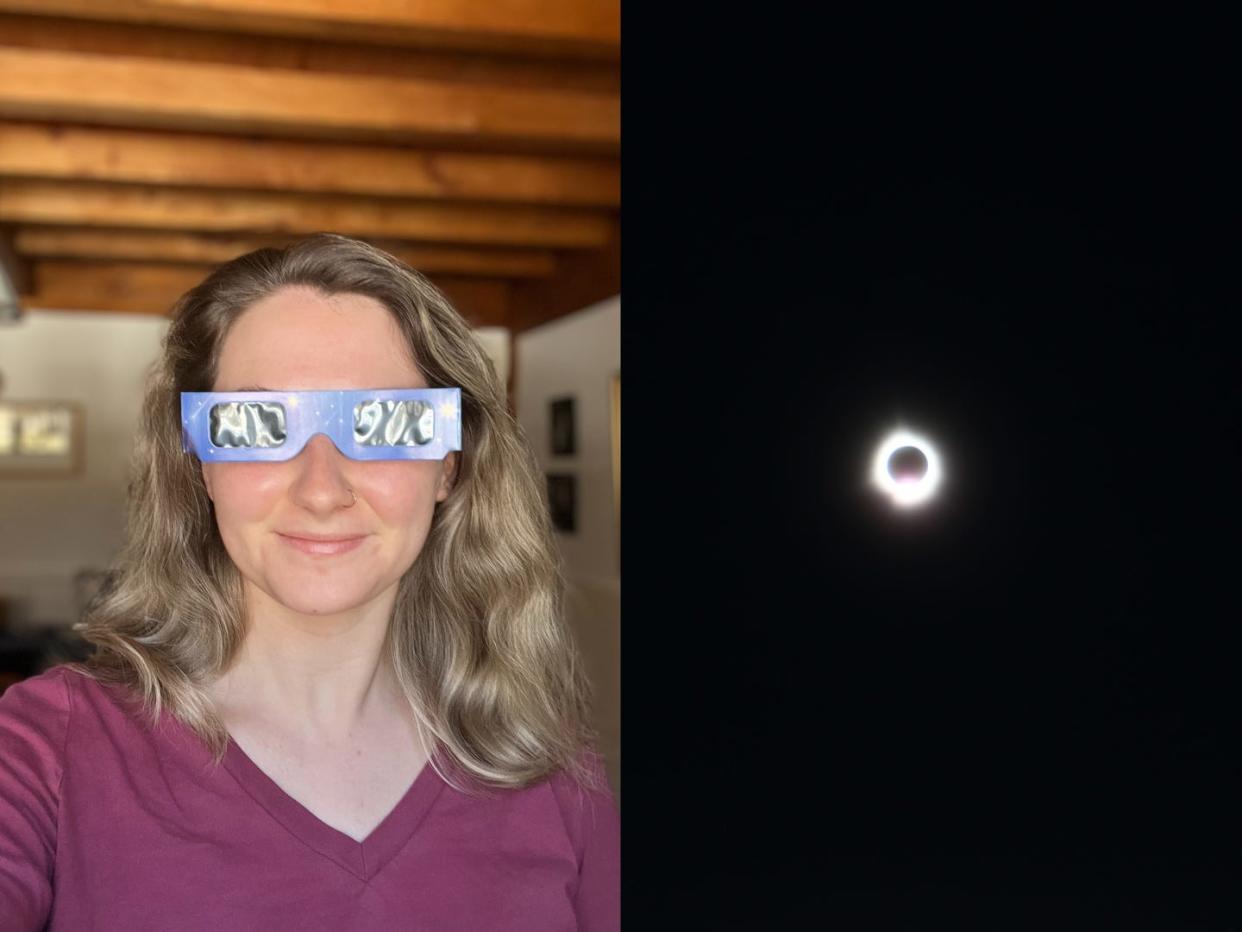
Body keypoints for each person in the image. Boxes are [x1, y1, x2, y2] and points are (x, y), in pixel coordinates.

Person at [0, 234, 620, 931]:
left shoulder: (549, 766)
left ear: (449, 464)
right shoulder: (45, 752)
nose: (322, 489)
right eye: (259, 424)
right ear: (201, 464)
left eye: (384, 421)